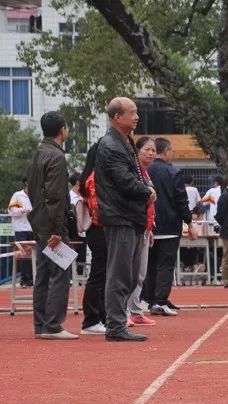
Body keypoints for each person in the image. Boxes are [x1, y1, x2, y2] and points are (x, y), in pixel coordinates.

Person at [95, 97, 155, 342]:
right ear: (117, 117)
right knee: (120, 274)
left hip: (129, 216)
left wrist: (145, 187)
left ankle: (118, 322)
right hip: (120, 216)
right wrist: (147, 191)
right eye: (132, 112)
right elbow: (124, 180)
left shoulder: (124, 142)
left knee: (128, 274)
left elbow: (133, 176)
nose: (137, 116)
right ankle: (116, 325)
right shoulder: (111, 145)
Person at [26, 111, 77, 340]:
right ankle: (53, 325)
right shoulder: (56, 157)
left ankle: (41, 325)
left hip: (38, 220)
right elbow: (56, 195)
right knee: (60, 272)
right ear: (63, 129)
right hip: (52, 223)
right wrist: (57, 229)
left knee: (44, 274)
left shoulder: (37, 154)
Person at [143, 137, 195, 316]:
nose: (173, 154)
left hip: (149, 225)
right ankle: (160, 300)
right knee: (165, 265)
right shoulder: (173, 172)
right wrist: (189, 222)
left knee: (150, 264)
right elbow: (181, 200)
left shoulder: (144, 171)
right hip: (169, 226)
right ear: (165, 151)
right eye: (171, 150)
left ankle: (151, 300)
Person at [125, 136, 157, 327]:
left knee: (140, 273)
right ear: (137, 152)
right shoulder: (134, 174)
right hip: (132, 227)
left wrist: (150, 228)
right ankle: (125, 311)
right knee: (129, 272)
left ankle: (136, 310)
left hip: (145, 227)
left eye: (153, 150)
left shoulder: (146, 175)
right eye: (147, 149)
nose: (151, 153)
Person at [78, 143, 108, 335]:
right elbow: (98, 209)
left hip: (99, 229)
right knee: (98, 274)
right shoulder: (94, 177)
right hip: (99, 229)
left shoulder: (92, 175)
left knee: (102, 274)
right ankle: (91, 319)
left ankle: (100, 317)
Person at [7, 178, 33, 287]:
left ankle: (32, 278)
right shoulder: (18, 195)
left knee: (33, 255)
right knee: (23, 255)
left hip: (33, 228)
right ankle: (24, 279)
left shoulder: (36, 196)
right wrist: (24, 210)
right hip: (21, 229)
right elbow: (11, 211)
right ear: (26, 182)